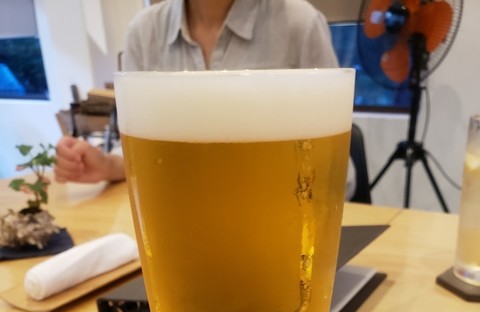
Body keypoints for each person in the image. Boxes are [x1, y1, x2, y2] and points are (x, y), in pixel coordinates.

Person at [54, 0, 355, 197]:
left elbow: (336, 171)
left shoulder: (298, 22)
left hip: (275, 233)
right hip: (181, 233)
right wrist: (109, 165)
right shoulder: (144, 33)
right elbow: (149, 161)